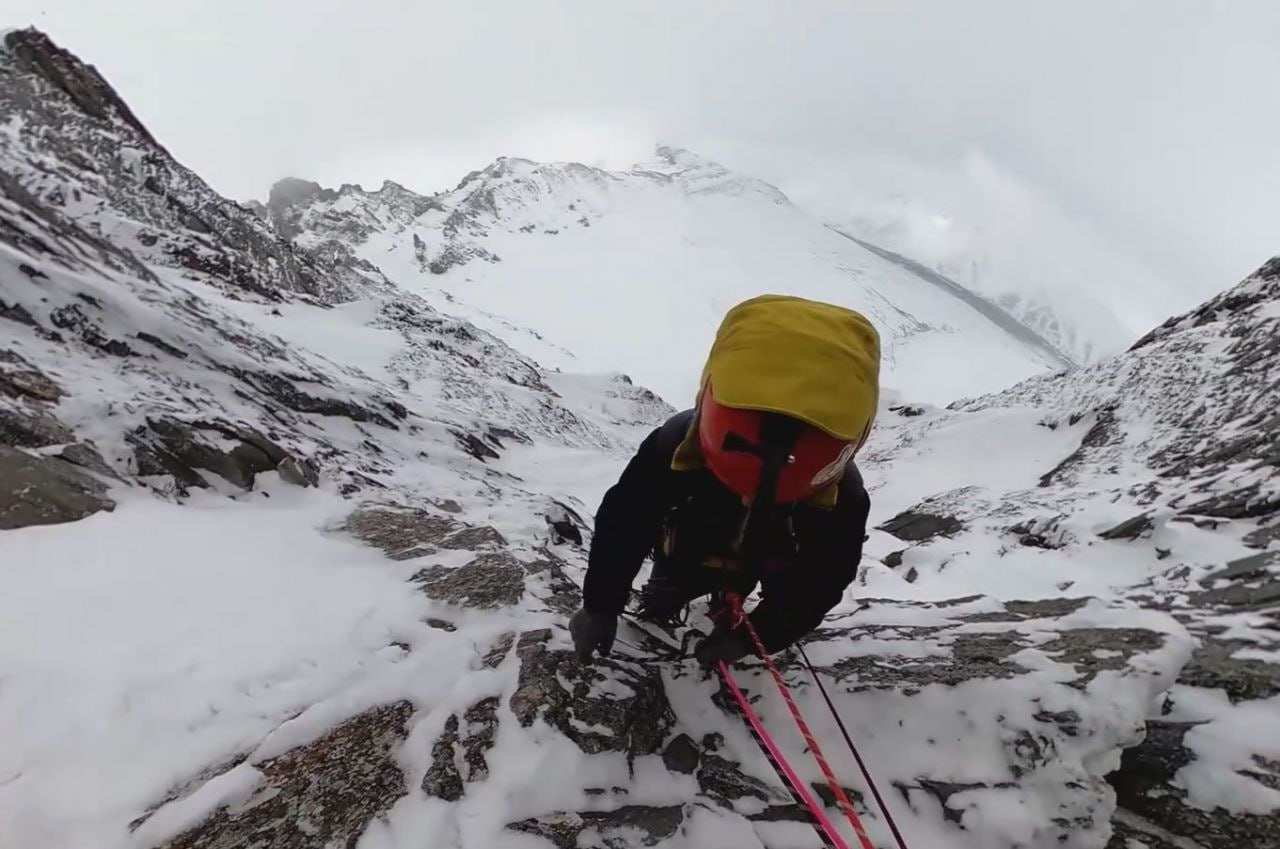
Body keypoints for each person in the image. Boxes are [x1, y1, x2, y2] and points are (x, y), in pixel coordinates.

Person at [570, 294, 879, 668]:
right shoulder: (836, 493)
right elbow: (627, 521)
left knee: (724, 564)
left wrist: (756, 637)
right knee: (690, 570)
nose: (750, 498)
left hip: (734, 553)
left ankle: (716, 600)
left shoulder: (677, 448)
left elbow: (819, 582)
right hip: (706, 551)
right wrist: (600, 604)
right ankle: (691, 594)